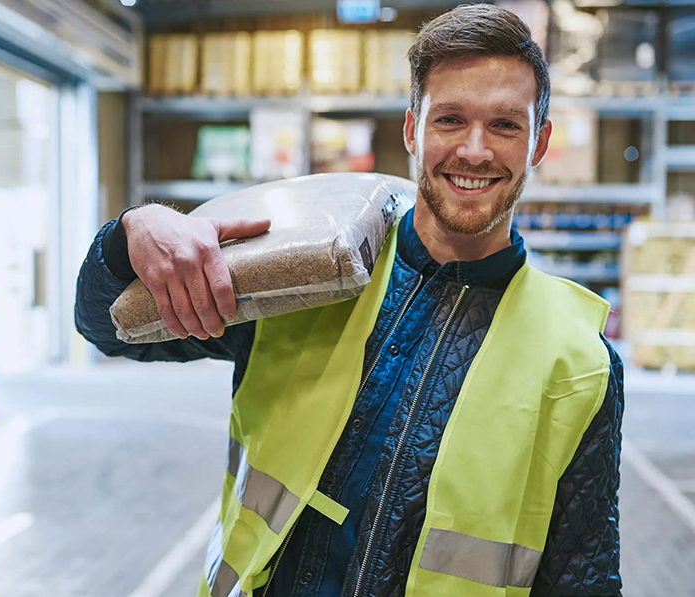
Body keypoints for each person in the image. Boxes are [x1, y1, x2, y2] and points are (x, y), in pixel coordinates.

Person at [74, 4, 623, 596]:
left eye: (506, 126)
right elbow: (104, 327)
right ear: (412, 128)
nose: (474, 149)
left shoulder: (578, 365)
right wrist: (133, 231)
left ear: (539, 142)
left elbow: (583, 579)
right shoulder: (305, 275)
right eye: (450, 119)